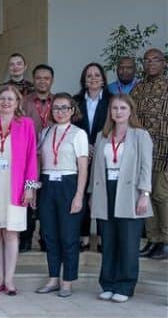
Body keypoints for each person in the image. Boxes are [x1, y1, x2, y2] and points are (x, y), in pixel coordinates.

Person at [90, 94, 153, 303]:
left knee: (128, 242)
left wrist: (144, 194)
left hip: (130, 192)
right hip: (105, 190)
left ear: (130, 111)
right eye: (115, 108)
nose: (118, 112)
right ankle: (108, 283)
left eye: (123, 108)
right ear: (110, 112)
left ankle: (125, 285)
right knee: (108, 241)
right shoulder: (102, 136)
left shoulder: (141, 135)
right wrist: (92, 194)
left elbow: (146, 167)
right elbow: (95, 169)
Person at [0, 84, 39, 296]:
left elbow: (32, 157)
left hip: (15, 187)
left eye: (10, 99)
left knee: (11, 232)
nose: (6, 102)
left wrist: (30, 187)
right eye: (2, 98)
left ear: (17, 103)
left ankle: (9, 279)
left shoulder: (26, 124)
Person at [34, 93, 88, 297]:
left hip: (69, 184)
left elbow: (83, 168)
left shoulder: (78, 134)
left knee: (69, 236)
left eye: (65, 107)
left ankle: (68, 281)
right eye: (56, 108)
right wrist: (33, 188)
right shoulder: (45, 132)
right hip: (47, 184)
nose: (60, 112)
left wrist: (79, 195)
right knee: (49, 235)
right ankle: (53, 277)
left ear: (72, 110)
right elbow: (38, 164)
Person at [132, 48, 168, 260]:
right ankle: (153, 239)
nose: (151, 63)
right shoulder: (138, 88)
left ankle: (166, 241)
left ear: (164, 63)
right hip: (142, 154)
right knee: (145, 195)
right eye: (147, 60)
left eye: (155, 60)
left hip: (164, 153)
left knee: (162, 197)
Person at [73, 62, 110, 251]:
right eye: (89, 76)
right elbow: (71, 126)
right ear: (84, 80)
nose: (93, 78)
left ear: (103, 80)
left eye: (97, 75)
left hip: (106, 154)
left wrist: (99, 144)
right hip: (82, 155)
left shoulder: (112, 100)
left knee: (103, 194)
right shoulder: (75, 101)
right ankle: (84, 236)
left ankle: (104, 237)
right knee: (82, 192)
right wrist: (84, 145)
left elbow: (117, 125)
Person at [19, 64, 55, 252]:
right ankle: (25, 238)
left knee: (47, 198)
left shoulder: (58, 101)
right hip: (29, 157)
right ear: (33, 80)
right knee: (28, 194)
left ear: (52, 81)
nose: (42, 81)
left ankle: (45, 238)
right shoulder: (24, 102)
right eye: (39, 78)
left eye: (46, 78)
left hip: (52, 158)